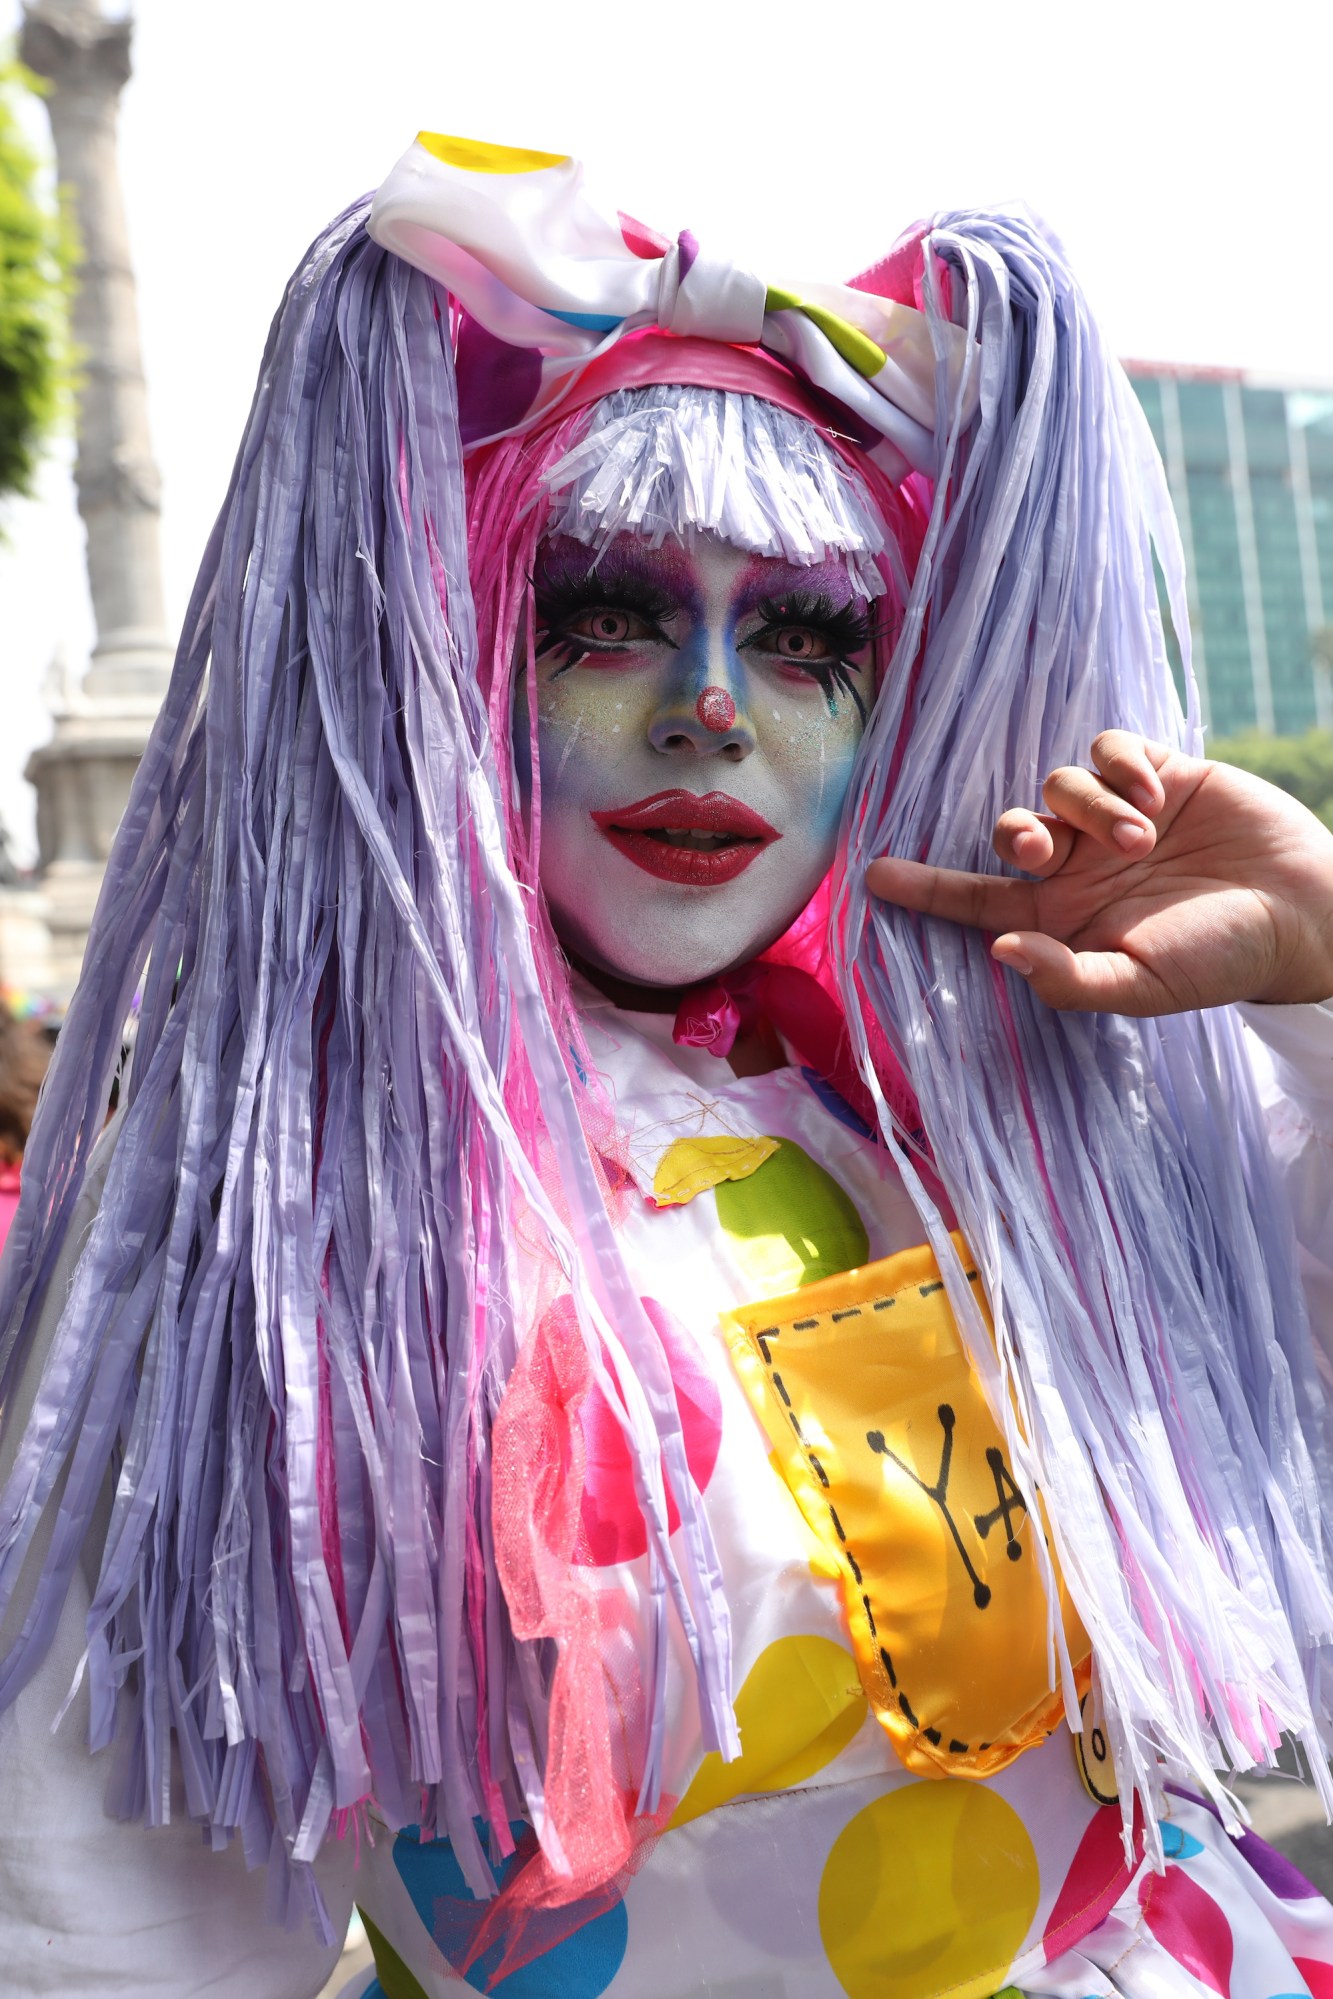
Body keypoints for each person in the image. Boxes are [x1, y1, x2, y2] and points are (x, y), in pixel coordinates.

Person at [0, 132, 1331, 1999]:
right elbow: (99, 1930)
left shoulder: (1010, 1128)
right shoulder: (277, 1232)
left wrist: (1315, 983)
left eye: (803, 637)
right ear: (462, 652)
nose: (707, 704)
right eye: (607, 613)